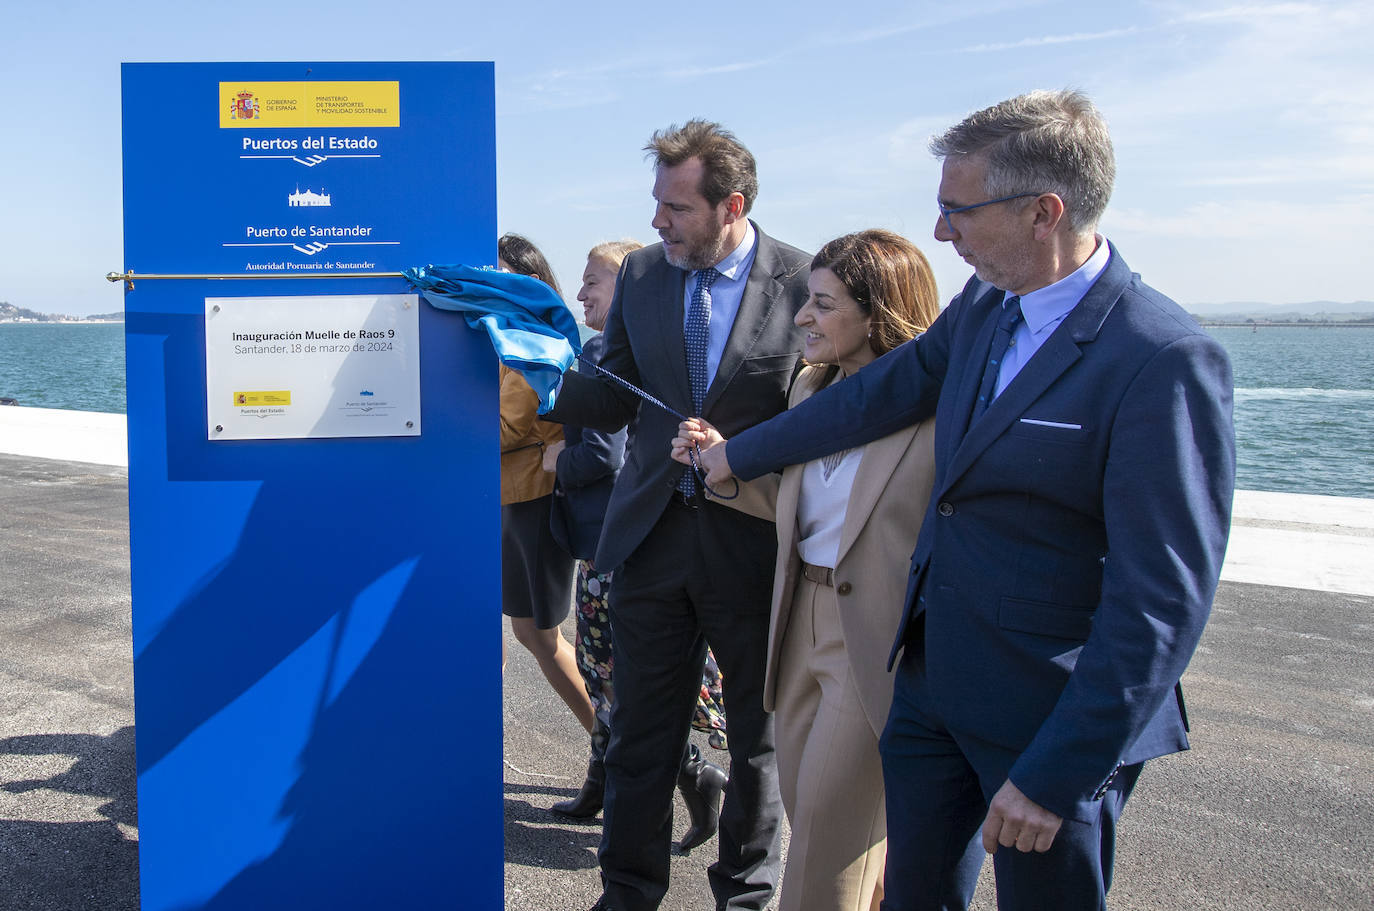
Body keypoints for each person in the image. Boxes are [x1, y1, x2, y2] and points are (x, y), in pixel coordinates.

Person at [682, 91, 1236, 910]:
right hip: (932, 689)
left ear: (1044, 212)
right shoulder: (986, 307)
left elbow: (1160, 599)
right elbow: (873, 398)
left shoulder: (1162, 358)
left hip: (1048, 716)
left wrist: (1056, 774)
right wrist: (735, 456)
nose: (941, 234)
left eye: (958, 211)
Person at [545, 120, 811, 911]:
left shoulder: (801, 279)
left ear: (731, 204)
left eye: (676, 208)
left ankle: (745, 894)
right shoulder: (646, 279)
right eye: (656, 205)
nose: (658, 222)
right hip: (650, 540)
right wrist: (540, 358)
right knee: (637, 738)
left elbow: (823, 409)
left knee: (757, 741)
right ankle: (627, 892)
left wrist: (746, 449)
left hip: (752, 542)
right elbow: (610, 387)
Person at [676, 229, 940, 910]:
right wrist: (722, 465)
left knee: (824, 839)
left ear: (878, 314)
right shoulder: (810, 390)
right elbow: (800, 510)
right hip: (798, 626)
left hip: (874, 636)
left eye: (821, 304)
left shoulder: (939, 413)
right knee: (821, 820)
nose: (800, 317)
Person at [546, 240, 729, 850]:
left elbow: (605, 450)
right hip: (615, 541)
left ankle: (697, 780)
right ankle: (602, 781)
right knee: (610, 675)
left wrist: (555, 461)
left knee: (620, 678)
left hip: (612, 543)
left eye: (593, 281)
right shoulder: (631, 346)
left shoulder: (602, 349)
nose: (582, 295)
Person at [497, 233, 595, 738]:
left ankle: (616, 751)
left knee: (542, 635)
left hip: (534, 499)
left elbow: (510, 426)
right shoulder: (510, 331)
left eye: (498, 274)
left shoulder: (533, 338)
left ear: (530, 282)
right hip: (513, 496)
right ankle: (614, 752)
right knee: (525, 630)